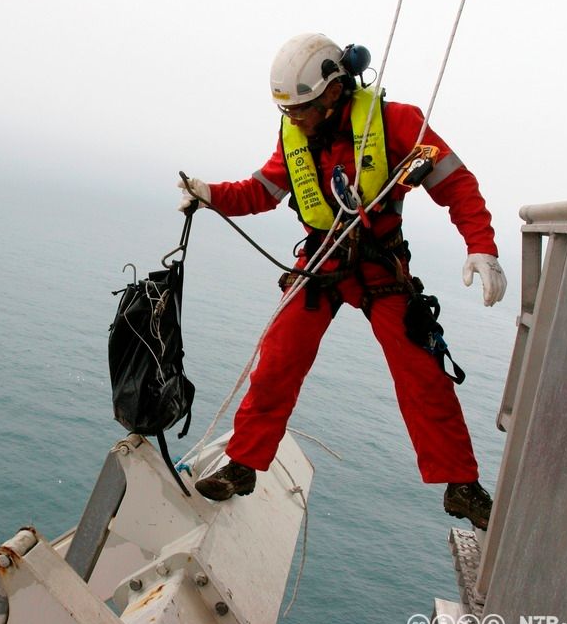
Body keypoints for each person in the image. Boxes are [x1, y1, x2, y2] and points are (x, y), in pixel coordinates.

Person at [178, 33, 505, 530]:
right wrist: (209, 195)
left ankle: (462, 485)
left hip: (380, 265)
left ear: (335, 91)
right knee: (278, 362)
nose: (296, 119)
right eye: (289, 112)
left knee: (423, 374)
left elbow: (456, 184)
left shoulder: (394, 122)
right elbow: (261, 191)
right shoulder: (296, 135)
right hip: (323, 263)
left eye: (304, 108)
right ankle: (242, 465)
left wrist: (482, 246)